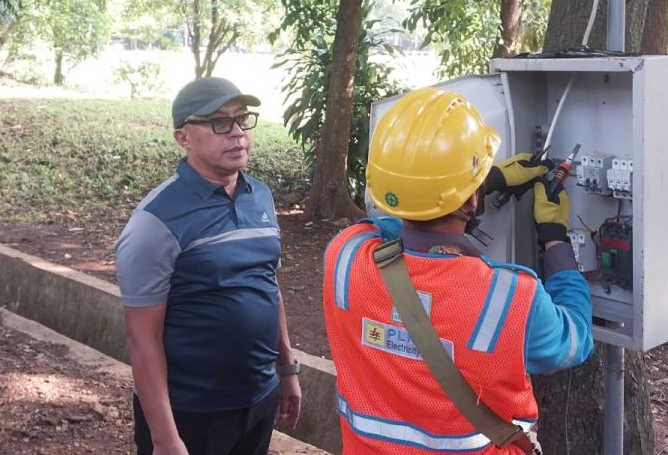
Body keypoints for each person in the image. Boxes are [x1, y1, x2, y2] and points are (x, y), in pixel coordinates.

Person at [322, 87, 595, 454]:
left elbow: (387, 225)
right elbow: (575, 341)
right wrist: (554, 237)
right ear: (471, 197)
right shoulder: (509, 299)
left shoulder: (344, 256)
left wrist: (482, 185)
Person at [115, 77, 300, 455]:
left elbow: (268, 284)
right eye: (219, 122)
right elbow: (142, 338)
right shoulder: (157, 220)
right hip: (192, 412)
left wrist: (287, 366)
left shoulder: (260, 197)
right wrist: (165, 438)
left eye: (242, 119)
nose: (236, 133)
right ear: (183, 138)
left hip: (259, 397)